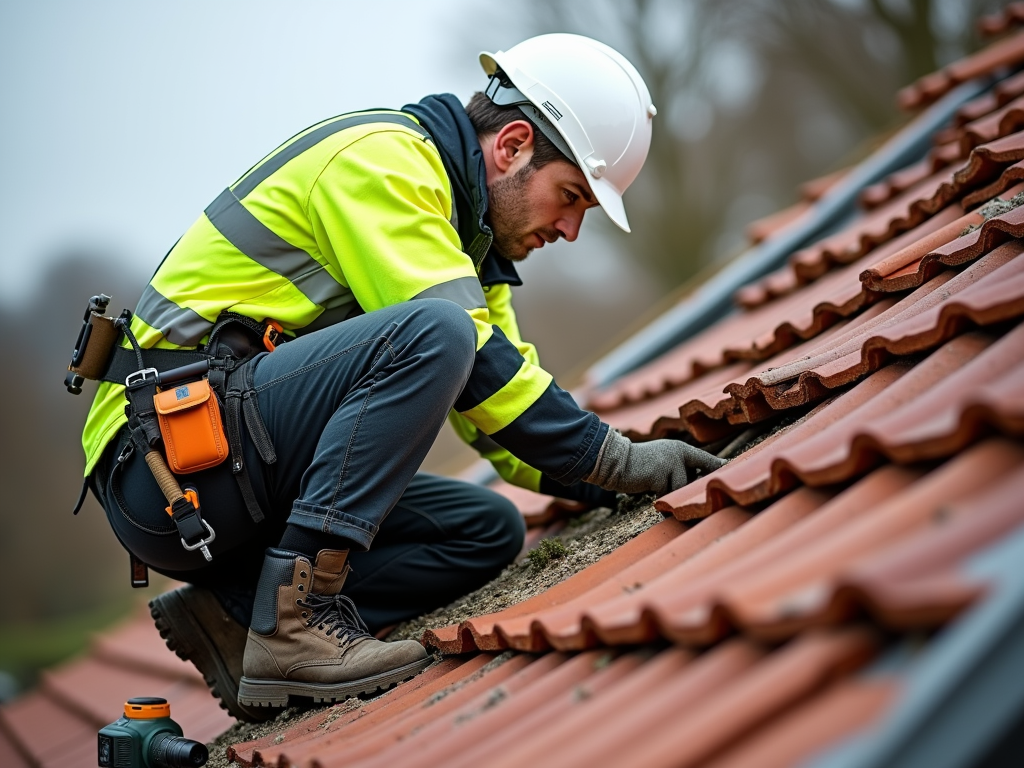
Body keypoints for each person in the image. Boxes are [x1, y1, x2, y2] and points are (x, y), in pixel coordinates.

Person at [80, 33, 725, 721]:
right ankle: (298, 623)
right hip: (164, 465)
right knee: (439, 332)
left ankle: (235, 612)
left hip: (234, 468)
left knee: (485, 531)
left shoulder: (463, 243)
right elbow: (470, 355)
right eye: (570, 197)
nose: (569, 230)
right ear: (510, 147)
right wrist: (620, 459)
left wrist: (612, 478)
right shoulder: (382, 164)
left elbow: (502, 407)